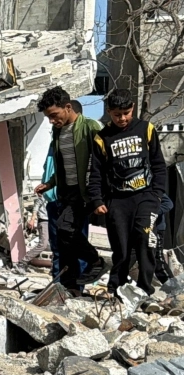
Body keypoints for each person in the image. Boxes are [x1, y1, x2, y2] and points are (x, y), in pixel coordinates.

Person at [88, 89, 168, 295]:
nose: (122, 118)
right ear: (109, 112)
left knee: (145, 241)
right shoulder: (101, 138)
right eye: (117, 114)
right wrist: (97, 200)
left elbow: (159, 165)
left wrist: (157, 194)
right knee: (121, 249)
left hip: (146, 197)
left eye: (126, 113)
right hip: (118, 201)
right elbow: (96, 173)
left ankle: (145, 290)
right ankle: (116, 289)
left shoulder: (146, 129)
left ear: (132, 108)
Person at [34, 87, 105, 292]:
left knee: (66, 229)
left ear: (67, 107)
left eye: (54, 115)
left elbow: (103, 160)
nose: (51, 121)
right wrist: (50, 183)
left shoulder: (90, 127)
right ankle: (70, 286)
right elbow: (64, 164)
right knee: (64, 241)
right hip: (67, 191)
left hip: (85, 192)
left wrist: (99, 194)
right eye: (48, 117)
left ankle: (95, 262)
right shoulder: (58, 132)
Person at [153, 193, 174, 283]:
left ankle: (171, 285)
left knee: (158, 258)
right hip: (140, 229)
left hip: (157, 228)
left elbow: (168, 204)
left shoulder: (153, 189)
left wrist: (153, 213)